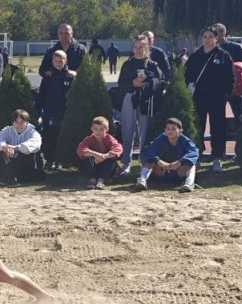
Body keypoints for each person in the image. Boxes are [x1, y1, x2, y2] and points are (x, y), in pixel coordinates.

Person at [185, 25, 234, 173]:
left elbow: (230, 79)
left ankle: (217, 157)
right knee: (197, 127)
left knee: (217, 128)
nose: (207, 40)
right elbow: (187, 76)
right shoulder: (194, 56)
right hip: (198, 98)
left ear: (216, 38)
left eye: (211, 37)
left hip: (217, 99)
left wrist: (224, 94)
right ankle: (197, 156)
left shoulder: (224, 56)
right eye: (205, 37)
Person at [117, 35, 165, 175]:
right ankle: (127, 162)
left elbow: (160, 83)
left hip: (146, 100)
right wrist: (133, 83)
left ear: (147, 48)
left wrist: (147, 84)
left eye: (141, 47)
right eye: (136, 47)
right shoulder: (128, 64)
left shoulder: (153, 65)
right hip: (130, 98)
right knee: (127, 130)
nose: (138, 50)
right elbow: (121, 84)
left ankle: (144, 161)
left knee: (145, 131)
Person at [136, 117, 199, 192]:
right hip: (163, 171)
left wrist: (180, 162)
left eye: (173, 129)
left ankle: (189, 184)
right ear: (165, 130)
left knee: (191, 164)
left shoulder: (185, 141)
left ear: (180, 131)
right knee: (150, 161)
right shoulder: (161, 138)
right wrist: (158, 161)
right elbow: (148, 150)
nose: (170, 131)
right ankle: (142, 181)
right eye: (168, 129)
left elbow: (194, 152)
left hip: (179, 172)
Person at [36, 49, 71, 169]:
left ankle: (60, 161)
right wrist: (38, 110)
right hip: (49, 111)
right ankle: (49, 160)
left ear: (65, 61)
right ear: (52, 61)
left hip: (64, 111)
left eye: (61, 61)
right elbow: (42, 94)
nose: (58, 63)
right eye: (56, 61)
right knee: (49, 135)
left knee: (62, 135)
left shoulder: (69, 76)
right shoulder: (48, 76)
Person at [0, 109, 44, 185]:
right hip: (12, 163)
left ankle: (11, 177)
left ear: (27, 122)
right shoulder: (8, 130)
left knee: (25, 152)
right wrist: (5, 147)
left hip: (27, 166)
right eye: (16, 122)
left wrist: (15, 148)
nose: (19, 125)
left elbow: (35, 145)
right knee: (1, 151)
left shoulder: (32, 132)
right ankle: (10, 178)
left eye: (22, 122)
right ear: (13, 122)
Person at [213, 23, 242, 120]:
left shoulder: (236, 47)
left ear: (223, 33)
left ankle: (240, 134)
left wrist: (235, 68)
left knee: (240, 117)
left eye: (215, 33)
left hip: (236, 90)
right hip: (217, 91)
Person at [77, 116, 123, 189]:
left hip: (106, 165)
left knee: (112, 158)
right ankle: (92, 180)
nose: (98, 132)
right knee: (86, 158)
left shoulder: (110, 139)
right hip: (93, 164)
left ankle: (101, 180)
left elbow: (118, 148)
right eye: (95, 129)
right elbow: (81, 149)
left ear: (107, 129)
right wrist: (96, 154)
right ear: (92, 129)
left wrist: (105, 156)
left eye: (101, 129)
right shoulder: (88, 139)